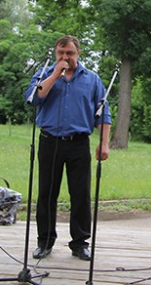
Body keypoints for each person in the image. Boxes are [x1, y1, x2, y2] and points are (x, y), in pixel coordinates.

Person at [24, 35, 111, 262]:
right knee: (46, 193)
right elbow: (34, 98)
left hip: (78, 143)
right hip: (49, 141)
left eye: (70, 54)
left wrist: (104, 143)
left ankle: (80, 243)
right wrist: (55, 75)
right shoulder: (44, 74)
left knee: (80, 195)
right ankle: (44, 242)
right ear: (56, 54)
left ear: (78, 54)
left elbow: (104, 113)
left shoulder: (92, 79)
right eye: (61, 54)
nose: (65, 58)